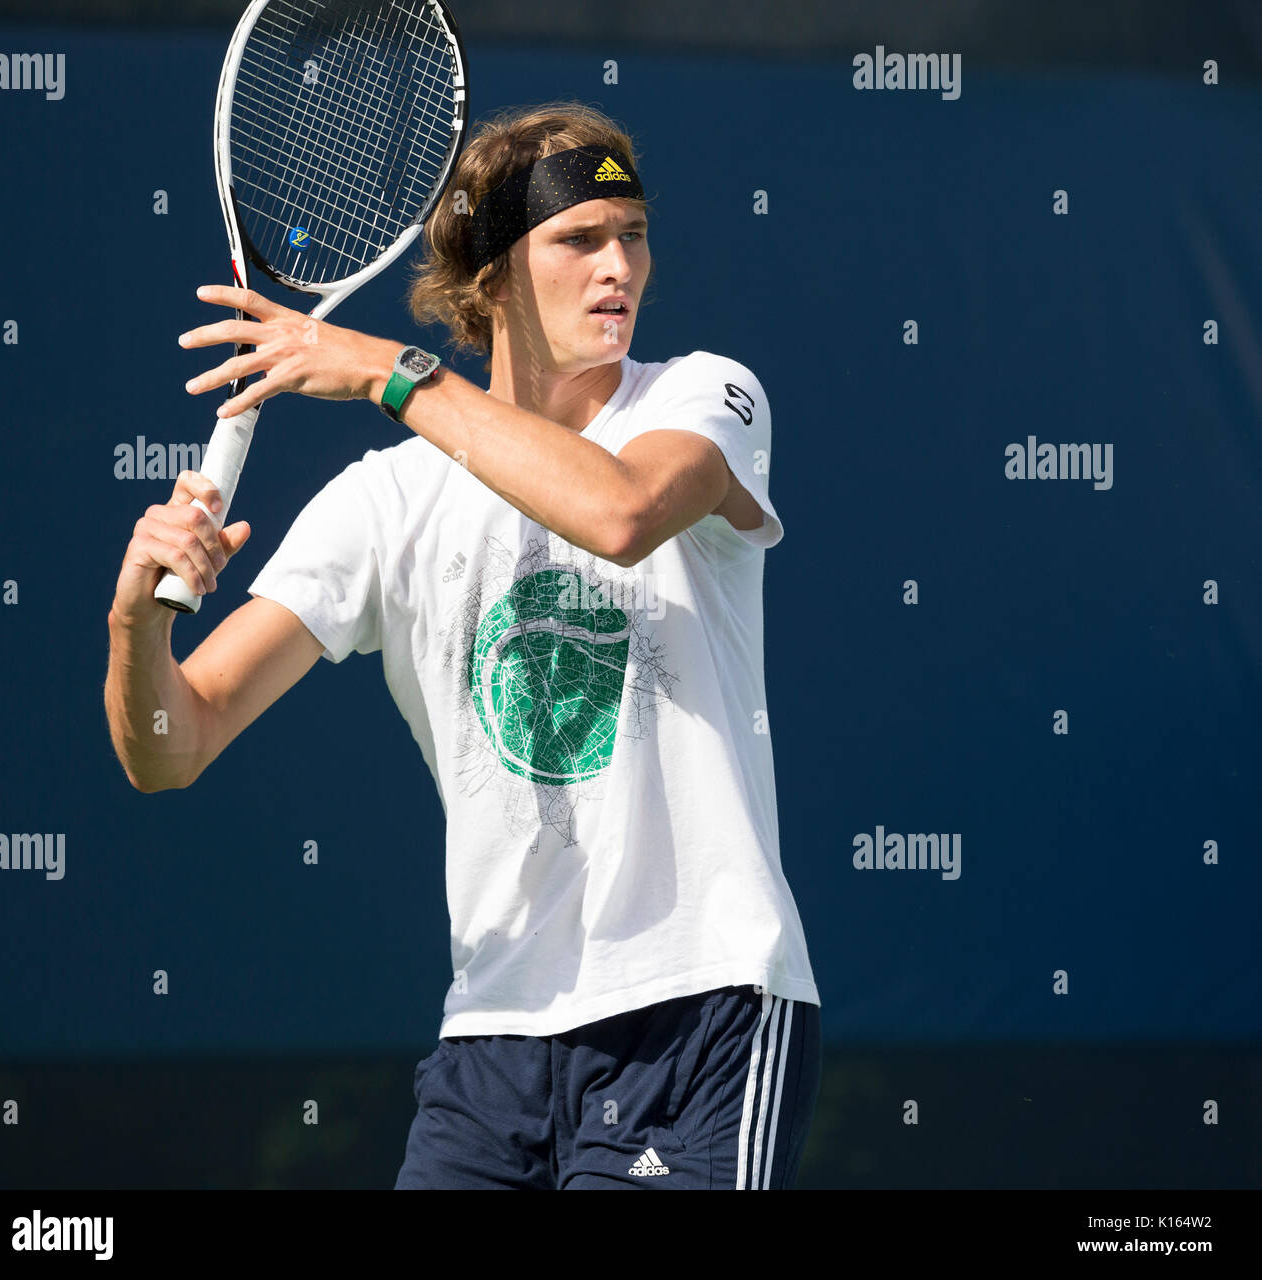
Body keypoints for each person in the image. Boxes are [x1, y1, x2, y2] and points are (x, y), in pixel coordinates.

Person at [104, 101, 821, 1190]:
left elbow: (619, 513)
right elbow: (170, 744)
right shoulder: (382, 501)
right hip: (490, 1046)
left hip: (700, 1006)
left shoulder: (703, 398)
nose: (617, 264)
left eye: (631, 233)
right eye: (578, 239)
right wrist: (136, 621)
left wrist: (392, 376)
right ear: (487, 278)